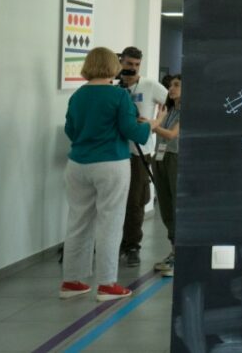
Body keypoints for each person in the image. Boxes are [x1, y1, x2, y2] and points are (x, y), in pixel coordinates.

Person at [59, 47, 154, 301]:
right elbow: (131, 130)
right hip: (111, 163)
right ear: (114, 66)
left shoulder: (78, 95)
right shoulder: (119, 95)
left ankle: (71, 280)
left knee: (78, 220)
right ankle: (107, 284)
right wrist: (151, 127)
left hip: (77, 164)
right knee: (110, 222)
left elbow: (71, 130)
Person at [116, 46, 168, 267]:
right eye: (129, 64)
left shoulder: (149, 85)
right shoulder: (113, 86)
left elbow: (173, 102)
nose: (133, 69)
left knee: (135, 201)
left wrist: (157, 123)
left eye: (137, 65)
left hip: (140, 151)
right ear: (120, 63)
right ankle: (115, 243)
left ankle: (132, 245)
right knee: (113, 200)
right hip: (115, 151)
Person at [151, 75, 181, 276]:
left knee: (176, 205)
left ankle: (179, 255)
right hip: (160, 158)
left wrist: (153, 125)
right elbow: (160, 130)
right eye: (170, 85)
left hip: (175, 158)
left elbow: (171, 135)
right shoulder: (168, 110)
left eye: (177, 85)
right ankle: (173, 251)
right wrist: (155, 122)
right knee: (165, 206)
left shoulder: (186, 111)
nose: (171, 88)